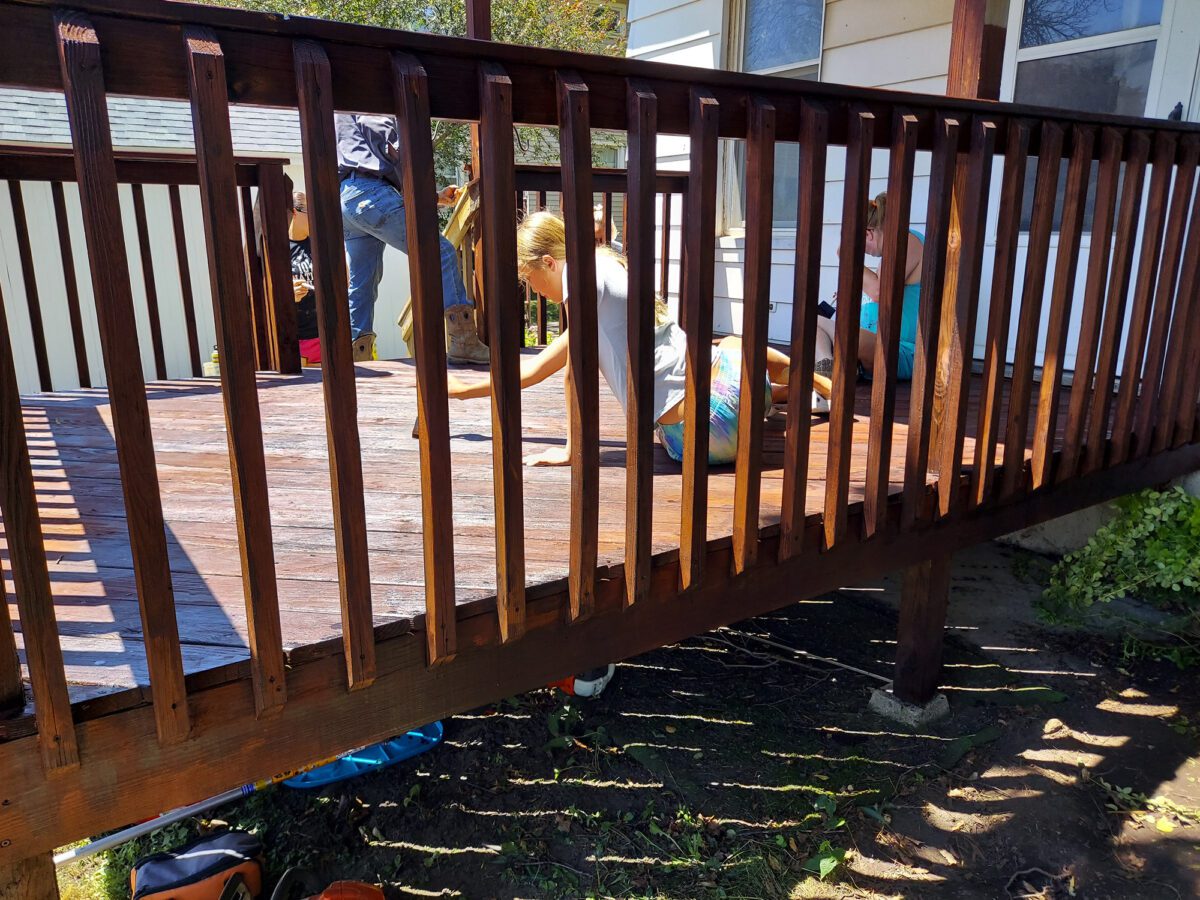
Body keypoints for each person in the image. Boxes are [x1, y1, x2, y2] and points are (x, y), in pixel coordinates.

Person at [444, 211, 793, 467]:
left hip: (689, 444)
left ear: (549, 262)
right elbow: (534, 371)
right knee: (732, 346)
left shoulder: (583, 283)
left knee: (729, 348)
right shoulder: (605, 274)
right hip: (717, 421)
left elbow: (571, 375)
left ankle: (803, 389)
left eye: (529, 278)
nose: (532, 290)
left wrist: (571, 451)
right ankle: (814, 385)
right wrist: (461, 392)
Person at [336, 113, 489, 363]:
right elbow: (387, 141)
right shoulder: (371, 98)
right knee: (442, 252)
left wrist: (433, 196)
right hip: (370, 192)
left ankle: (357, 357)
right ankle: (464, 342)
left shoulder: (339, 108)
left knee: (363, 280)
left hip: (347, 199)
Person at [815, 191, 925, 384]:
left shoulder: (906, 242)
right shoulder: (887, 257)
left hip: (899, 350)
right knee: (813, 324)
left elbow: (879, 292)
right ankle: (827, 366)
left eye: (861, 247)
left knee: (816, 322)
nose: (865, 253)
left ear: (868, 233)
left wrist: (848, 258)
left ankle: (832, 368)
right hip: (870, 348)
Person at [286, 191, 322, 366]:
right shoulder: (278, 248)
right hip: (294, 340)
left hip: (323, 336)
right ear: (295, 212)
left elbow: (342, 284)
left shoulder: (318, 244)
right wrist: (289, 294)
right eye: (310, 212)